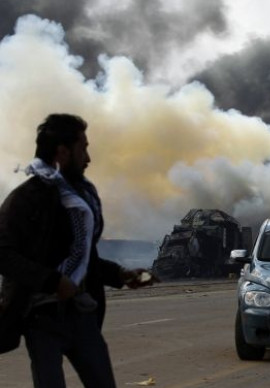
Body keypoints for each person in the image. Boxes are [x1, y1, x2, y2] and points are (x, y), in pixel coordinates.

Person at [0, 113, 157, 388]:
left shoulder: (81, 198)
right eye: (83, 147)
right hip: (41, 317)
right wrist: (51, 281)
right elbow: (3, 255)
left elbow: (84, 258)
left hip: (82, 312)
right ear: (62, 152)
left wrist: (121, 274)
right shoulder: (26, 199)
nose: (88, 157)